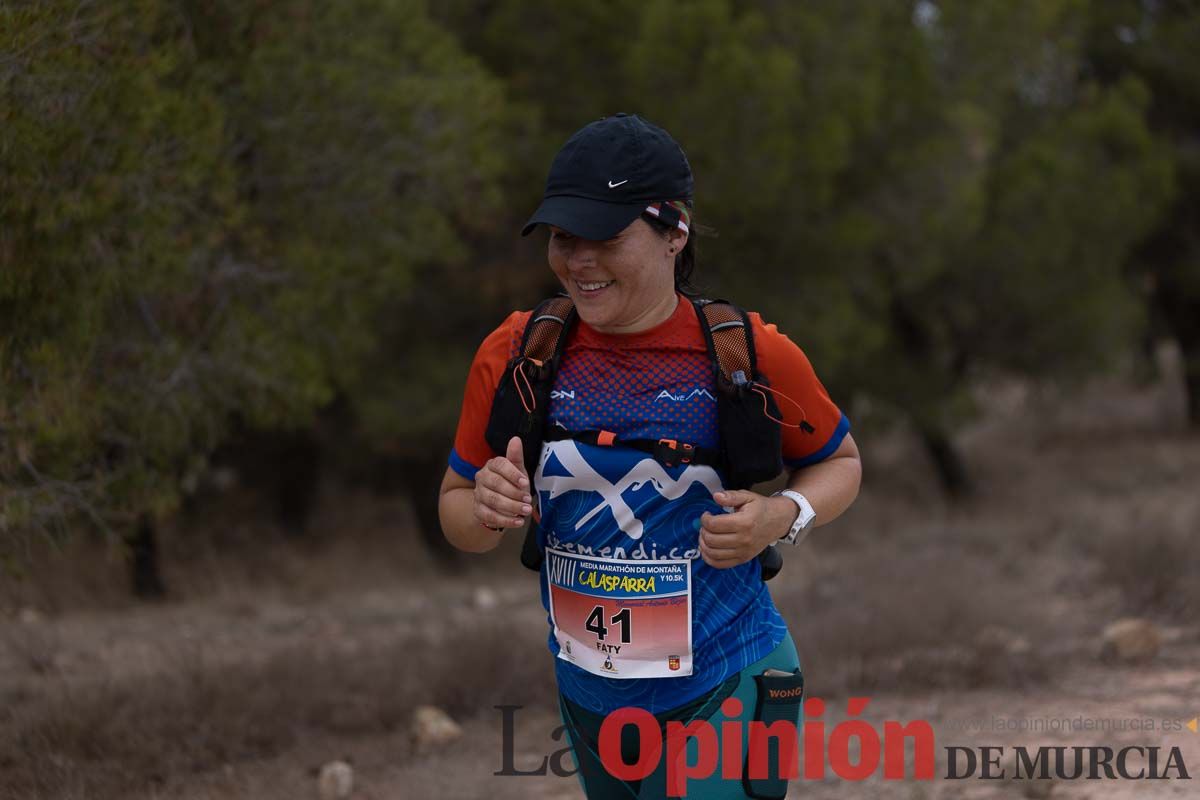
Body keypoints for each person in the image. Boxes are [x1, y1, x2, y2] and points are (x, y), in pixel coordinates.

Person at [438, 113, 862, 799]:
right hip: (587, 694)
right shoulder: (518, 354)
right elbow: (457, 515)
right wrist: (484, 508)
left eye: (605, 236)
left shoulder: (748, 355)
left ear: (675, 232)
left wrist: (784, 515)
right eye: (563, 236)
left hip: (724, 677)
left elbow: (842, 462)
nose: (579, 260)